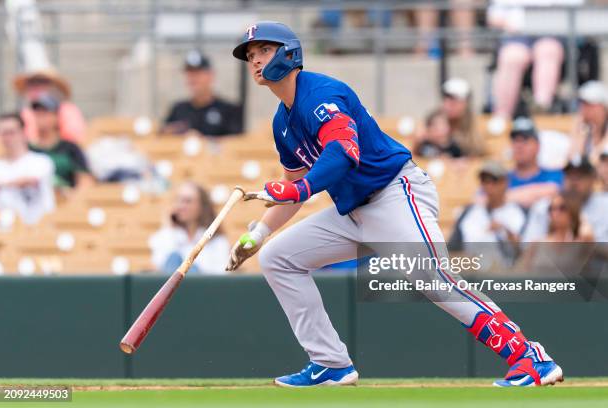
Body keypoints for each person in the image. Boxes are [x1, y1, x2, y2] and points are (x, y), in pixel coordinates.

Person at [225, 21, 562, 388]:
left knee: (433, 278)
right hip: (353, 211)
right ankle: (330, 364)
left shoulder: (320, 93)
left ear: (289, 53)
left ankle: (529, 358)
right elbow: (294, 187)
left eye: (264, 50)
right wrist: (258, 234)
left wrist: (300, 189)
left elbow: (343, 153)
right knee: (278, 258)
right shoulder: (282, 122)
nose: (256, 60)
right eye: (251, 55)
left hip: (395, 193)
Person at [488, 1, 565, 119]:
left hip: (551, 33)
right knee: (512, 57)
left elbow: (574, 8)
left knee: (548, 50)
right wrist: (512, 24)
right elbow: (493, 17)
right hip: (516, 36)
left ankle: (542, 107)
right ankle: (502, 115)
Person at [448, 161, 525, 266]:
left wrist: (506, 232)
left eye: (494, 181)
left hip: (504, 274)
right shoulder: (469, 212)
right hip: (470, 271)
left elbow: (523, 252)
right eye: (484, 181)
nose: (489, 185)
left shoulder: (517, 213)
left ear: (505, 182)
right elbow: (453, 248)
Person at [149, 182, 230, 274]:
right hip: (173, 285)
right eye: (178, 201)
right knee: (174, 258)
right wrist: (169, 227)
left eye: (188, 201)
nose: (180, 206)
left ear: (202, 207)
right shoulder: (168, 234)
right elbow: (159, 265)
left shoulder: (217, 241)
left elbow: (219, 274)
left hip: (201, 285)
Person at [522, 158, 606, 243]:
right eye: (570, 176)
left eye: (580, 177)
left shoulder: (605, 205)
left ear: (592, 179)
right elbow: (527, 247)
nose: (574, 182)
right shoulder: (545, 206)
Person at [162, 50, 243, 136]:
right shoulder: (178, 109)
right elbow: (162, 136)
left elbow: (237, 142)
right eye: (189, 73)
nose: (192, 78)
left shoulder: (229, 110)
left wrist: (202, 141)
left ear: (211, 75)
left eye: (197, 73)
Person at [0, 113, 55, 224]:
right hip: (2, 231)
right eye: (3, 133)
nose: (7, 138)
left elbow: (30, 180)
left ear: (23, 132)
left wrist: (1, 185)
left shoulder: (41, 161)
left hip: (38, 229)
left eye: (11, 132)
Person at [28, 94, 93, 190]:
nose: (40, 117)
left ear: (56, 116)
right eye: (37, 113)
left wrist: (73, 199)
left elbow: (85, 180)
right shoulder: (28, 149)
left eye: (45, 113)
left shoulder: (71, 148)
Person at [13, 69, 86, 143]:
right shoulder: (24, 113)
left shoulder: (67, 110)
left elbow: (73, 137)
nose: (35, 87)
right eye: (31, 84)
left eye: (41, 82)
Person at [507, 117, 563, 208]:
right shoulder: (502, 179)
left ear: (538, 146)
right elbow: (481, 199)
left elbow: (555, 190)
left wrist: (503, 197)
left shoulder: (554, 175)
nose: (519, 146)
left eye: (525, 140)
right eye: (515, 140)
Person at [441, 78, 485, 156]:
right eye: (446, 99)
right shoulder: (435, 123)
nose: (448, 105)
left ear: (465, 103)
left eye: (454, 101)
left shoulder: (478, 126)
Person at [570, 81, 608, 165]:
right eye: (582, 103)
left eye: (589, 104)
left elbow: (597, 159)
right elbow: (573, 159)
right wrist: (579, 133)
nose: (583, 108)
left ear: (603, 107)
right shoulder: (583, 126)